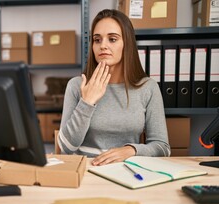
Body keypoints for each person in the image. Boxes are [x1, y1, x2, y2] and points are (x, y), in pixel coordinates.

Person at [57, 9, 170, 166]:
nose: (103, 46)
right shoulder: (77, 85)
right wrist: (87, 102)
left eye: (112, 39)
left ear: (127, 43)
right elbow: (67, 147)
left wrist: (130, 150)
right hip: (85, 171)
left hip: (127, 171)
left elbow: (162, 147)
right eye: (97, 40)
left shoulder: (148, 88)